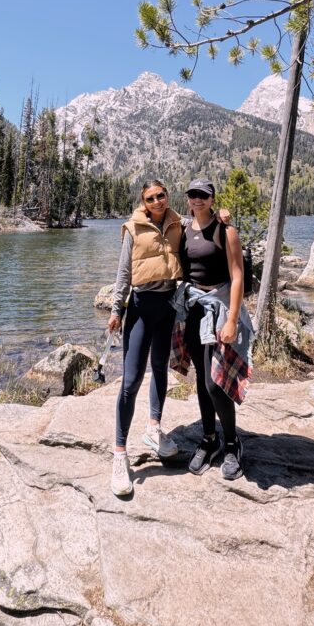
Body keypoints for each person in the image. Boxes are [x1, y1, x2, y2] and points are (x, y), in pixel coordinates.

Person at [172, 178, 254, 481]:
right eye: (193, 195)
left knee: (214, 383)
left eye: (203, 196)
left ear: (212, 198)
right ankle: (209, 439)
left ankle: (233, 443)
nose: (197, 200)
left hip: (218, 312)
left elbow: (237, 277)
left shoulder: (225, 231)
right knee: (201, 380)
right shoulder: (182, 229)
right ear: (187, 198)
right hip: (193, 311)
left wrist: (232, 319)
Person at [107, 179, 183, 497]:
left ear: (167, 196)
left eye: (161, 196)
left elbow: (202, 234)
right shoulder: (133, 228)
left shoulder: (179, 224)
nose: (157, 201)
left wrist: (222, 217)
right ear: (143, 201)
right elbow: (124, 272)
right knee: (131, 381)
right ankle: (119, 454)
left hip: (167, 306)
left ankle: (153, 428)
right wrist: (116, 309)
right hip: (140, 307)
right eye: (151, 198)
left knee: (161, 369)